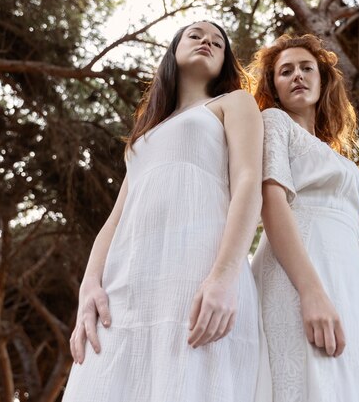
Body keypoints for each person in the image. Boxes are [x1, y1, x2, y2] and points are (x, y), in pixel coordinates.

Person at [62, 21, 268, 402]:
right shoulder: (145, 133)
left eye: (218, 42)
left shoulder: (233, 103)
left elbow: (247, 186)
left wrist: (223, 279)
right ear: (173, 50)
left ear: (225, 62)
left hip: (197, 276)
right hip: (126, 285)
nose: (207, 41)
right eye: (196, 35)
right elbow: (116, 218)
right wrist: (89, 285)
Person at [249, 34, 359, 401]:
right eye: (285, 71)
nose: (297, 75)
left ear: (323, 79)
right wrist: (311, 292)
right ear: (274, 86)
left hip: (348, 272)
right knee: (308, 374)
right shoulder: (274, 123)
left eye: (306, 68)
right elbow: (272, 204)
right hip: (300, 265)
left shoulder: (337, 155)